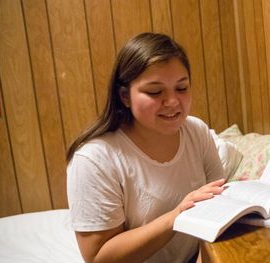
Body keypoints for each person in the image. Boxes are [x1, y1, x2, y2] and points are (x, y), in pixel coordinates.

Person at [66, 32, 226, 263]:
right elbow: (99, 257)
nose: (172, 101)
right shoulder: (95, 159)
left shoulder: (197, 131)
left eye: (181, 88)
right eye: (154, 91)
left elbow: (218, 210)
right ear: (124, 96)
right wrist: (176, 217)